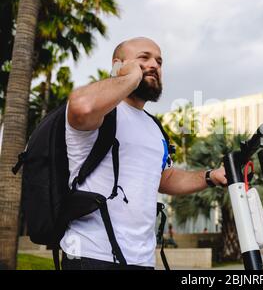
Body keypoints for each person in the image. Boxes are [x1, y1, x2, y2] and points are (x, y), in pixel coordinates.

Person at [60, 37, 227, 270]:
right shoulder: (102, 112)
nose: (155, 65)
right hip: (91, 255)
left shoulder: (154, 127)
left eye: (159, 61)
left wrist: (210, 176)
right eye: (144, 58)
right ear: (117, 64)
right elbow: (81, 107)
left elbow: (164, 177)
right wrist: (128, 76)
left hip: (142, 260)